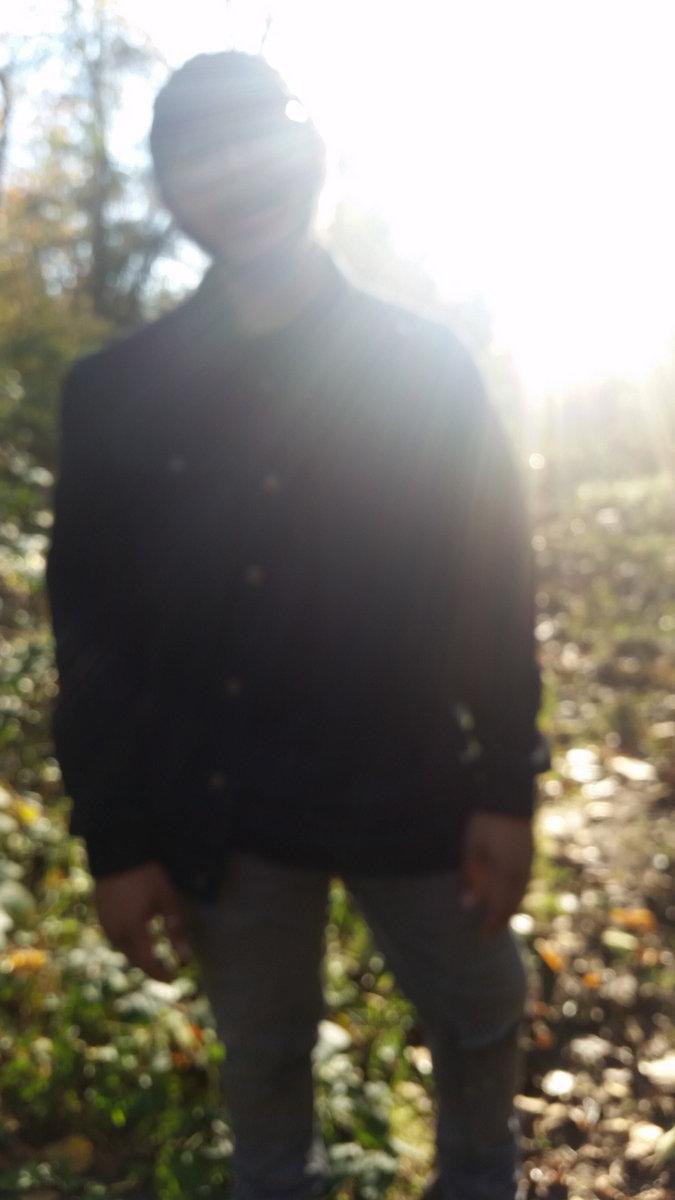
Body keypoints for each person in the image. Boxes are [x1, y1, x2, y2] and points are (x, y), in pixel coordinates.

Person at [47, 51, 549, 1200]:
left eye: (255, 140)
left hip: (412, 785)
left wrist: (505, 784)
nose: (234, 174)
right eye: (196, 156)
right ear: (166, 189)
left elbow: (491, 580)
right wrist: (117, 841)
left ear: (313, 151)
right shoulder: (117, 395)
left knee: (482, 1012)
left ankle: (482, 1180)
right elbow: (94, 635)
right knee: (263, 1058)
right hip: (224, 810)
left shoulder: (422, 367)